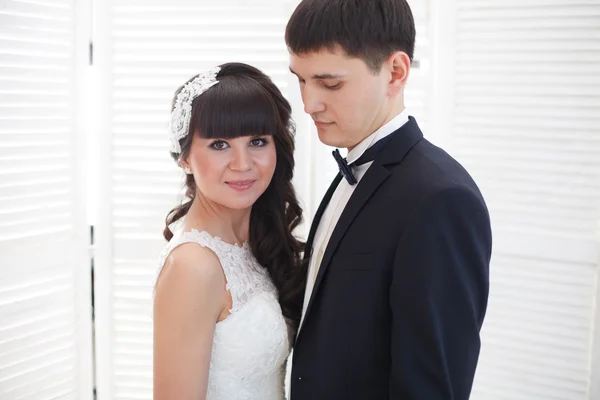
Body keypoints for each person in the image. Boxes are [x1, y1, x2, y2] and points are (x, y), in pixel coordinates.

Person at [285, 0, 492, 399]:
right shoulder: (353, 167)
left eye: (330, 84)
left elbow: (432, 388)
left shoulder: (441, 199)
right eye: (301, 80)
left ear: (395, 72)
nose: (309, 103)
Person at [153, 62, 305, 400]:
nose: (242, 164)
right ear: (185, 158)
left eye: (257, 141)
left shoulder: (252, 243)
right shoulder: (193, 266)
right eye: (219, 144)